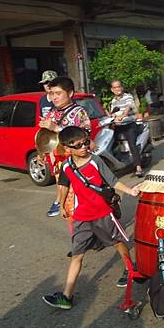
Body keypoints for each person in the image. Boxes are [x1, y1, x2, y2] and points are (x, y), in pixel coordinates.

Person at [42, 126, 139, 310]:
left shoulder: (95, 160)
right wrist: (61, 204)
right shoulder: (67, 166)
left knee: (117, 242)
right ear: (67, 148)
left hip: (103, 213)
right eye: (78, 145)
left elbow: (112, 180)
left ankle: (130, 269)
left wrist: (130, 190)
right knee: (77, 255)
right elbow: (63, 185)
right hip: (82, 217)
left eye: (86, 142)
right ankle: (66, 296)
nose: (84, 147)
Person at [39, 76, 91, 219]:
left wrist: (57, 128)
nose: (54, 97)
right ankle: (80, 236)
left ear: (70, 93)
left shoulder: (79, 112)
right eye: (52, 94)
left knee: (81, 202)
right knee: (68, 207)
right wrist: (41, 151)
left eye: (58, 93)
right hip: (60, 164)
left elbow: (83, 136)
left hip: (78, 165)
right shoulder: (51, 113)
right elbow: (46, 136)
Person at [109, 80, 144, 178]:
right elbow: (113, 113)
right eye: (115, 87)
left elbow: (128, 107)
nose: (117, 89)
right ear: (112, 90)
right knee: (111, 142)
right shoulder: (113, 101)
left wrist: (123, 115)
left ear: (122, 87)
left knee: (132, 144)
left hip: (129, 124)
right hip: (119, 126)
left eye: (118, 86)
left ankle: (138, 167)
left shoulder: (128, 97)